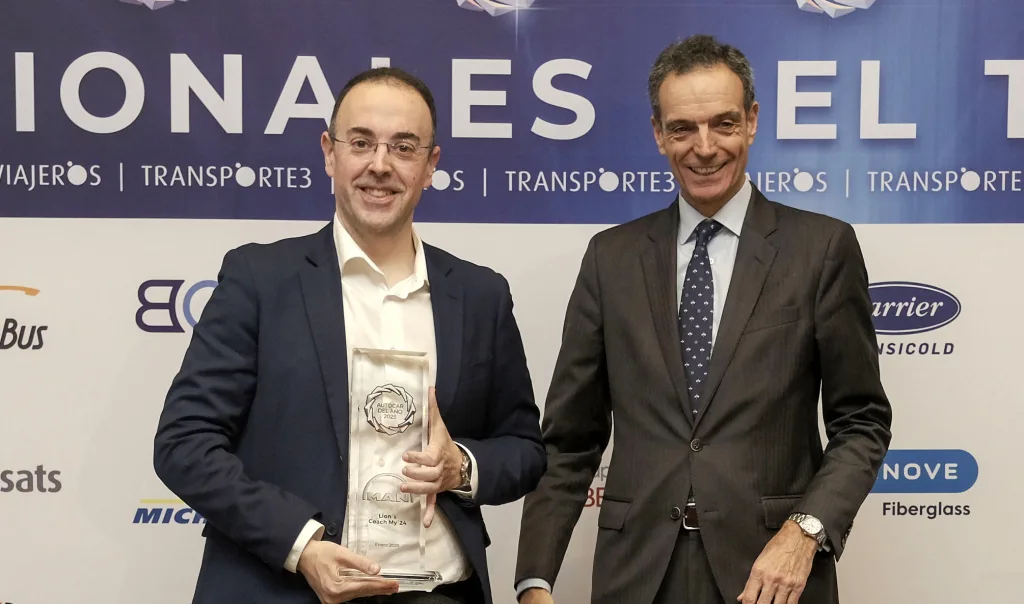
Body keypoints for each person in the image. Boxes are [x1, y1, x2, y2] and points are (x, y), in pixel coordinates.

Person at [514, 35, 892, 604]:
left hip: (772, 577)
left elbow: (861, 422)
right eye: (683, 128)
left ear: (754, 121)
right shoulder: (610, 258)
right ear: (658, 134)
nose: (705, 147)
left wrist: (806, 531)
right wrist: (534, 578)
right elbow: (569, 441)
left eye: (724, 124)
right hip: (637, 576)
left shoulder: (822, 249)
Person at [153, 66, 546, 604]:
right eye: (361, 142)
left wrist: (460, 466)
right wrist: (302, 545)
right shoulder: (259, 280)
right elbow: (184, 444)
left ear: (431, 165)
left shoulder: (480, 295)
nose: (379, 166)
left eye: (403, 147)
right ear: (329, 153)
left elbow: (524, 448)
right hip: (284, 586)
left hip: (435, 592)